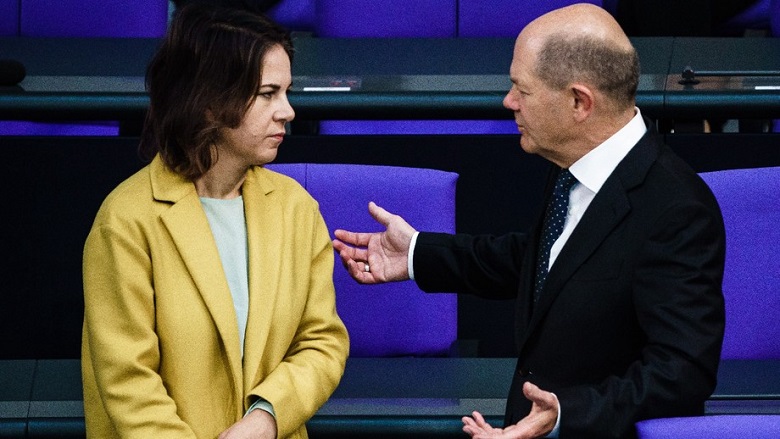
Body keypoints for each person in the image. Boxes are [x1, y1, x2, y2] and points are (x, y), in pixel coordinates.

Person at [332, 4, 725, 439]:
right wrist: (417, 253)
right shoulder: (574, 164)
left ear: (579, 102)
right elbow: (548, 264)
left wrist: (564, 415)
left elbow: (682, 373)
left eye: (522, 89)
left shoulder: (678, 210)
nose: (509, 102)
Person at [81, 4, 349, 439]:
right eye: (268, 93)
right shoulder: (125, 221)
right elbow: (129, 383)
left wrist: (267, 418)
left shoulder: (297, 209)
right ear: (208, 101)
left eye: (286, 92)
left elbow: (322, 342)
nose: (288, 111)